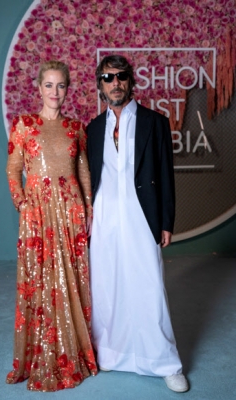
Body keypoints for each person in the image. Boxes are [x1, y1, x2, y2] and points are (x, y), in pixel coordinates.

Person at [87, 55, 189, 393]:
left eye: (121, 77)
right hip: (103, 219)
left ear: (131, 81)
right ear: (100, 85)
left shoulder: (155, 122)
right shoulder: (92, 129)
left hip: (141, 215)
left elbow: (165, 176)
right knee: (106, 287)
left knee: (149, 287)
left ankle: (164, 362)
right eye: (107, 78)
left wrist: (166, 220)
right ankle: (110, 354)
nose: (114, 83)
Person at [6, 60, 97, 392]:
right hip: (38, 213)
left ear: (67, 89)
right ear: (39, 87)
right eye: (49, 85)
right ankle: (42, 354)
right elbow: (13, 168)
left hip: (70, 211)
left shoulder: (76, 128)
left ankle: (74, 352)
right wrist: (22, 202)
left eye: (61, 86)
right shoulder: (25, 125)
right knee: (42, 279)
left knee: (71, 279)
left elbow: (84, 171)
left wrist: (87, 207)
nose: (54, 92)